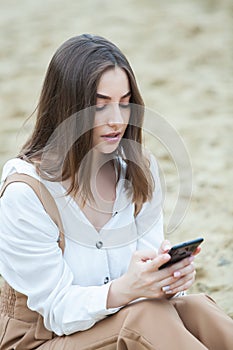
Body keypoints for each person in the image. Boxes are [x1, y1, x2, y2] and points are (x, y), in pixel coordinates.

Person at [0, 34, 232, 350]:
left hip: (124, 321)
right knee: (144, 318)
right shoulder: (26, 193)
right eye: (100, 106)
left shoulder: (139, 171)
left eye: (124, 104)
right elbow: (58, 311)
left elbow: (145, 283)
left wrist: (165, 279)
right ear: (67, 109)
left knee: (196, 308)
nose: (117, 120)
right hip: (44, 339)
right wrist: (127, 289)